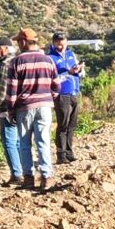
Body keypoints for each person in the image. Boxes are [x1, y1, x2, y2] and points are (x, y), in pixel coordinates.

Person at [3, 28, 63, 190]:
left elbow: (12, 91)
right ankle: (46, 176)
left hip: (25, 107)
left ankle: (28, 177)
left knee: (24, 143)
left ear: (23, 42)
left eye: (18, 41)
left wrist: (11, 110)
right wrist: (49, 97)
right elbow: (57, 85)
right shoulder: (48, 60)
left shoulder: (16, 62)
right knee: (43, 141)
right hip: (44, 106)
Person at [0, 35, 27, 184]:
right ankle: (24, 171)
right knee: (18, 141)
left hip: (7, 108)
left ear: (4, 49)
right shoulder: (18, 61)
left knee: (9, 141)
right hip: (20, 107)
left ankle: (16, 174)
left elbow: (2, 90)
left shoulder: (5, 65)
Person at [48, 32, 85, 165]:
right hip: (62, 94)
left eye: (63, 42)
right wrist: (68, 73)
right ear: (53, 43)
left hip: (74, 92)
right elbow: (53, 79)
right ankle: (60, 154)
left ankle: (69, 152)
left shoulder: (71, 55)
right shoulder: (50, 58)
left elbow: (81, 74)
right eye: (58, 42)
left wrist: (79, 70)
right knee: (62, 124)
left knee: (72, 124)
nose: (60, 45)